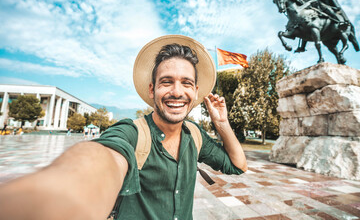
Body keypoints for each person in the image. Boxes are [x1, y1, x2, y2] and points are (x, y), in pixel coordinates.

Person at [0, 35, 247, 220]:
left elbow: (238, 166)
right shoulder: (132, 133)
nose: (176, 91)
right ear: (152, 90)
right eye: (166, 82)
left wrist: (222, 123)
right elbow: (101, 159)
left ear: (194, 93)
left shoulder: (195, 135)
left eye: (186, 83)